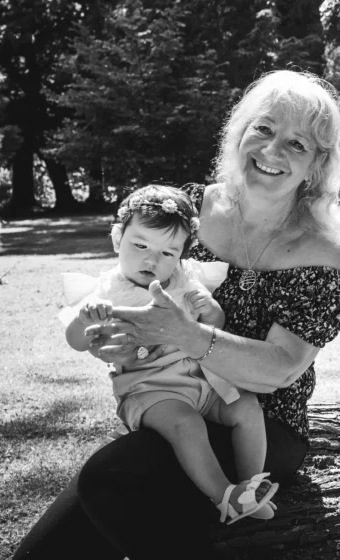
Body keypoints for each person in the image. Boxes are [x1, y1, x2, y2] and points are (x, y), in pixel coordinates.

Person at [15, 70, 340, 559]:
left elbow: (282, 368)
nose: (272, 151)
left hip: (257, 422)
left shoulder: (320, 251)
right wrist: (111, 338)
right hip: (171, 394)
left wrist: (189, 334)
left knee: (108, 478)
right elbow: (133, 278)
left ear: (317, 164)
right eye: (263, 128)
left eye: (296, 143)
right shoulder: (192, 208)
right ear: (240, 133)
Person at [61, 184, 278, 524]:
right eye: (140, 245)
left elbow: (214, 326)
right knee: (186, 424)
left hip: (202, 381)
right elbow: (76, 340)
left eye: (167, 252)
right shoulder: (105, 290)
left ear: (180, 255)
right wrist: (85, 318)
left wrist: (212, 310)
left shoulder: (185, 277)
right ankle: (223, 495)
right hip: (151, 389)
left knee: (247, 407)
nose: (152, 259)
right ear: (118, 238)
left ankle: (250, 486)